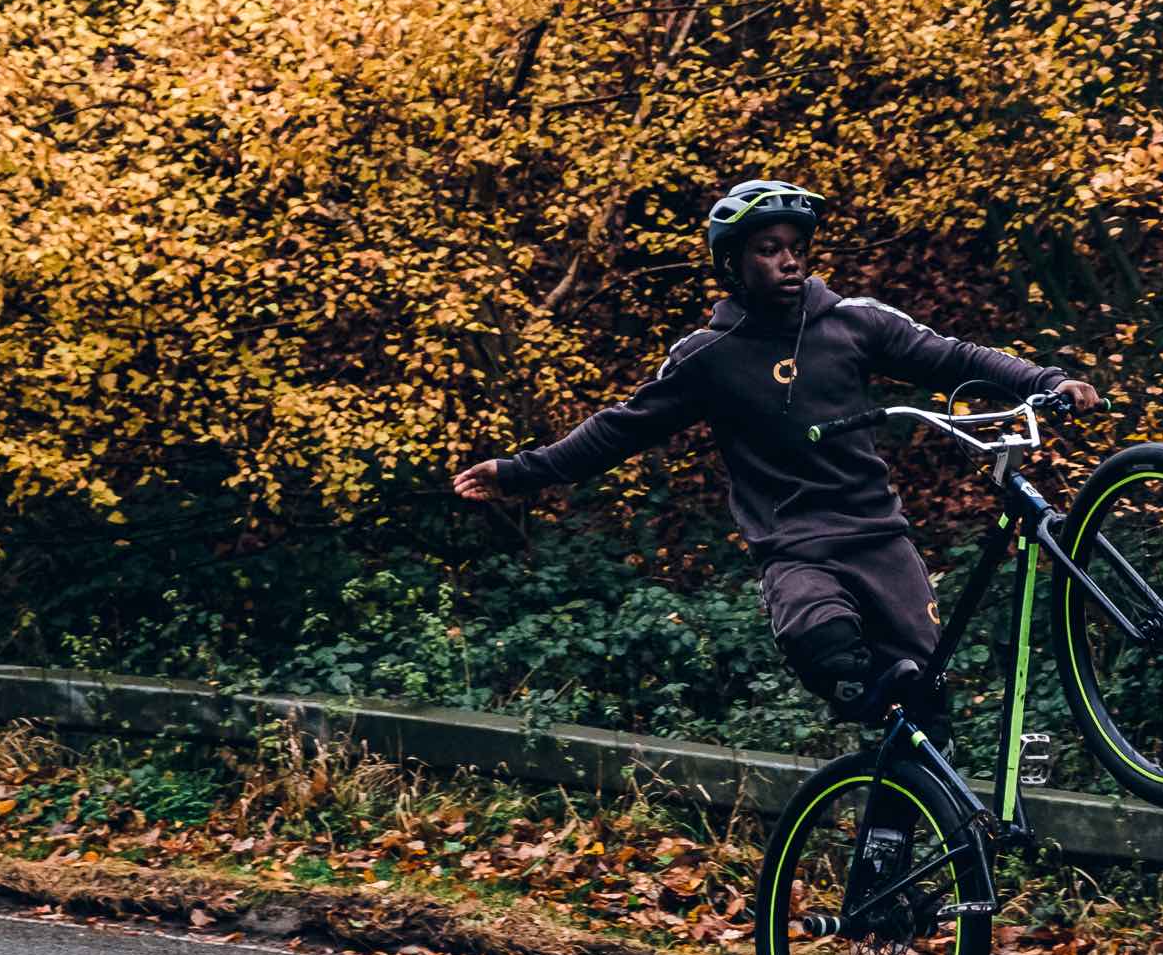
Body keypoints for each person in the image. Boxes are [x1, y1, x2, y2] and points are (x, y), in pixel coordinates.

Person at [452, 177, 1100, 723]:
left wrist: (1045, 380)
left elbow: (955, 357)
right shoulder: (708, 358)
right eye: (769, 250)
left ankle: (918, 818)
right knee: (830, 650)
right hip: (797, 549)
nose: (789, 261)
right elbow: (619, 430)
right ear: (733, 264)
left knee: (928, 699)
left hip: (880, 539)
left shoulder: (855, 322)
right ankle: (871, 722)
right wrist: (518, 472)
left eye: (797, 249)